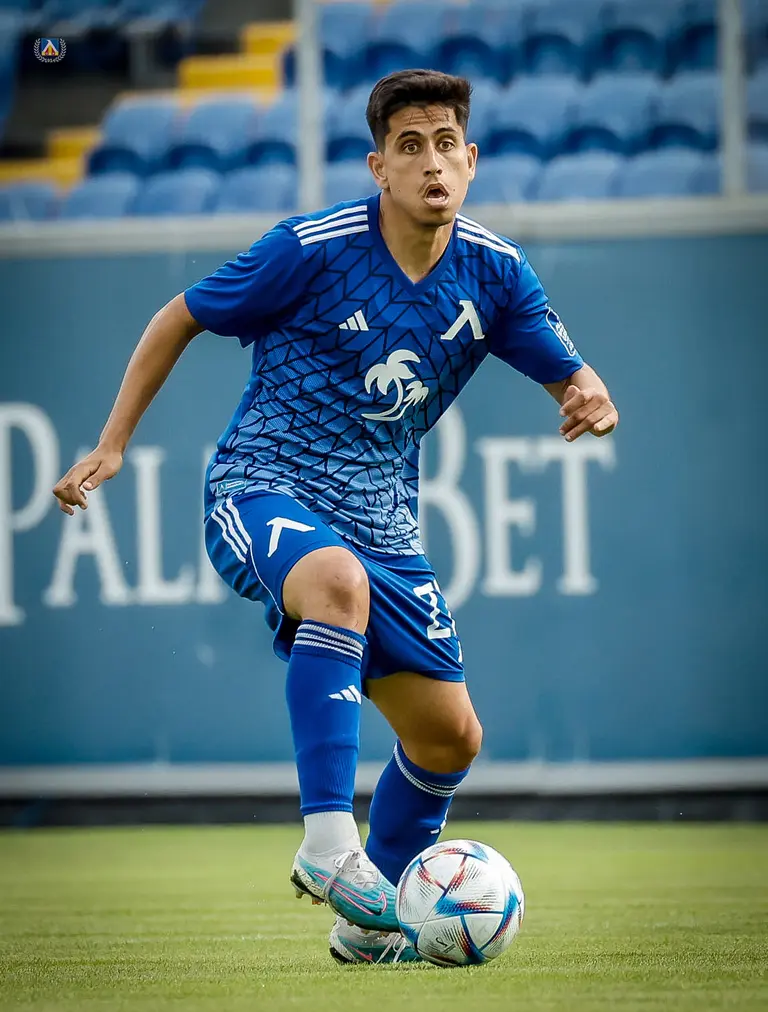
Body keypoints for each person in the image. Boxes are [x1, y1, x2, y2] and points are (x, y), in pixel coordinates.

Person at [53, 69, 618, 965]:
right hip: (263, 484)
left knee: (449, 737)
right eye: (409, 146)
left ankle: (368, 925)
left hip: (386, 525)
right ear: (378, 167)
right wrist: (112, 443)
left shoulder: (497, 273)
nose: (431, 163)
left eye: (445, 145)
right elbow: (178, 316)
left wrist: (590, 394)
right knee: (335, 582)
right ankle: (327, 843)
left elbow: (570, 375)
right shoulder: (308, 249)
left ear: (471, 161)